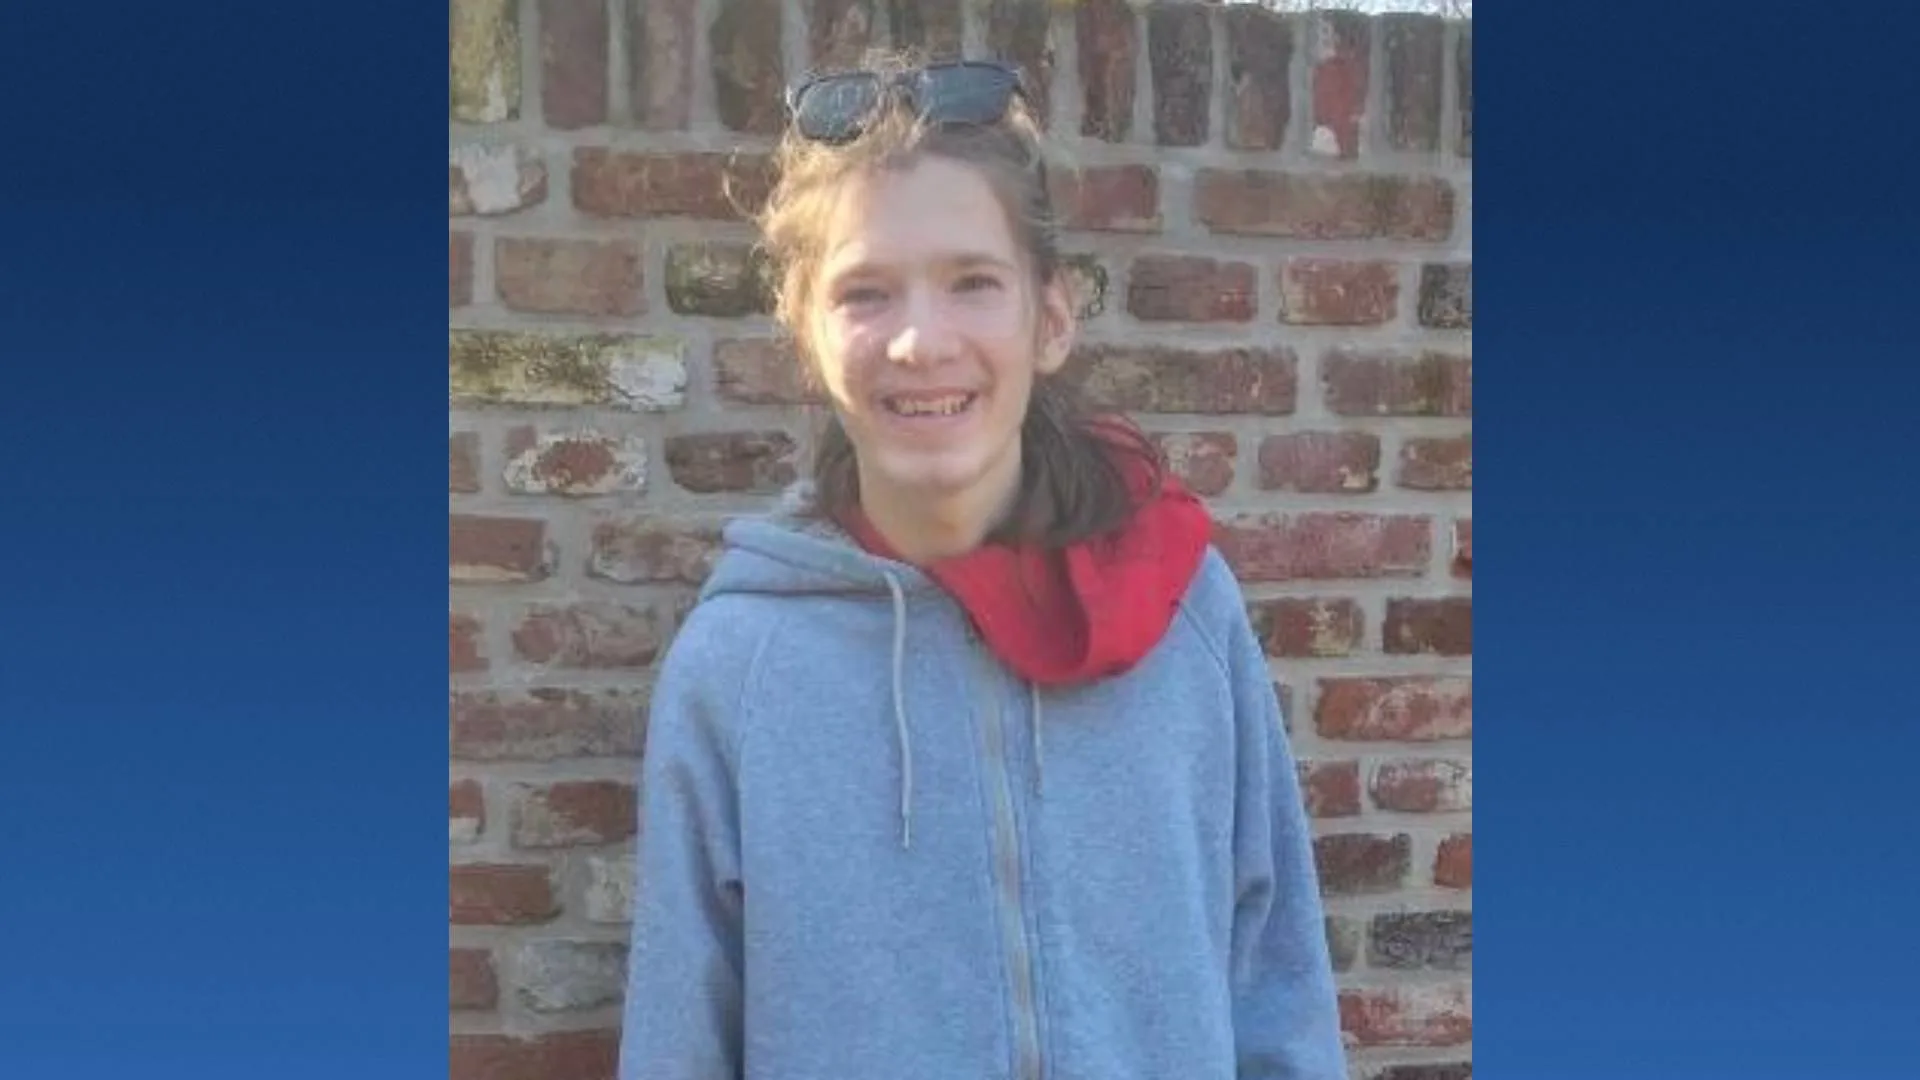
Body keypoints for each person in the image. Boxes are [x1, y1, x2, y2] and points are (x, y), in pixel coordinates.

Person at [619, 54, 1347, 1080]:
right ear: (806, 333)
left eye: (973, 283)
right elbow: (680, 1040)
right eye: (866, 293)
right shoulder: (738, 665)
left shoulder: (1186, 608)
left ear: (1050, 319)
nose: (922, 341)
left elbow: (1276, 986)